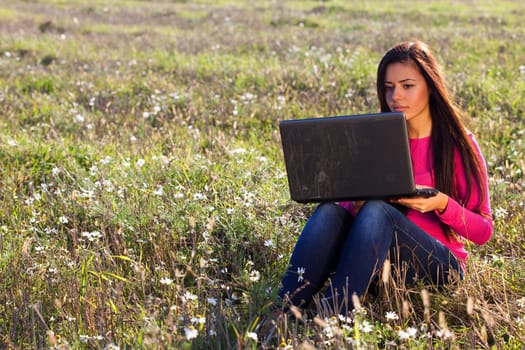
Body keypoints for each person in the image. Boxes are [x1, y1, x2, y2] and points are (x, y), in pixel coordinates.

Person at [277, 40, 493, 314]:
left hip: (439, 266)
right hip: (378, 260)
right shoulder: (374, 142)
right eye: (389, 88)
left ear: (430, 85)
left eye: (407, 86)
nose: (395, 97)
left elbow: (484, 231)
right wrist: (352, 205)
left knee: (380, 212)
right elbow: (351, 213)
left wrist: (441, 204)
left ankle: (332, 317)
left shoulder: (458, 144)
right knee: (330, 212)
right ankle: (283, 308)